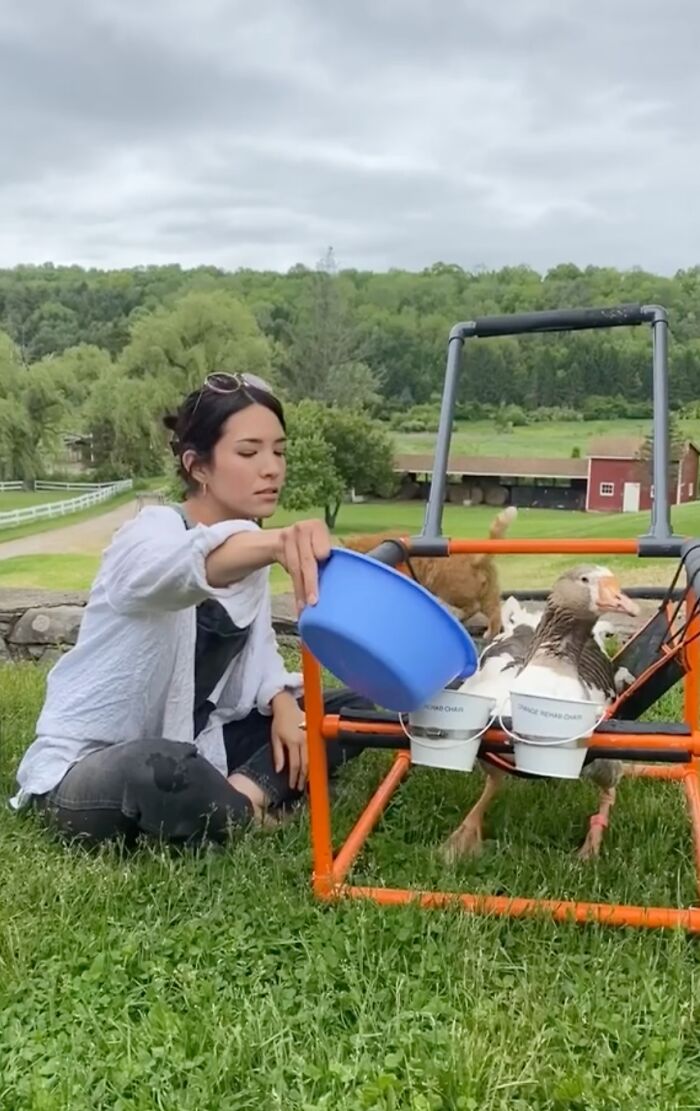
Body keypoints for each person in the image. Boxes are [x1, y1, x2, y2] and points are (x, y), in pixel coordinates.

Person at [9, 371, 370, 846]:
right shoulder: (149, 533)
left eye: (279, 451)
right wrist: (275, 543)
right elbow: (179, 567)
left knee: (351, 709)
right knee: (157, 768)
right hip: (95, 765)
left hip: (198, 743)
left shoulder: (251, 550)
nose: (272, 469)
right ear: (197, 466)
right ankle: (249, 810)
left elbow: (259, 656)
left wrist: (285, 706)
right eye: (249, 453)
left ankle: (238, 800)